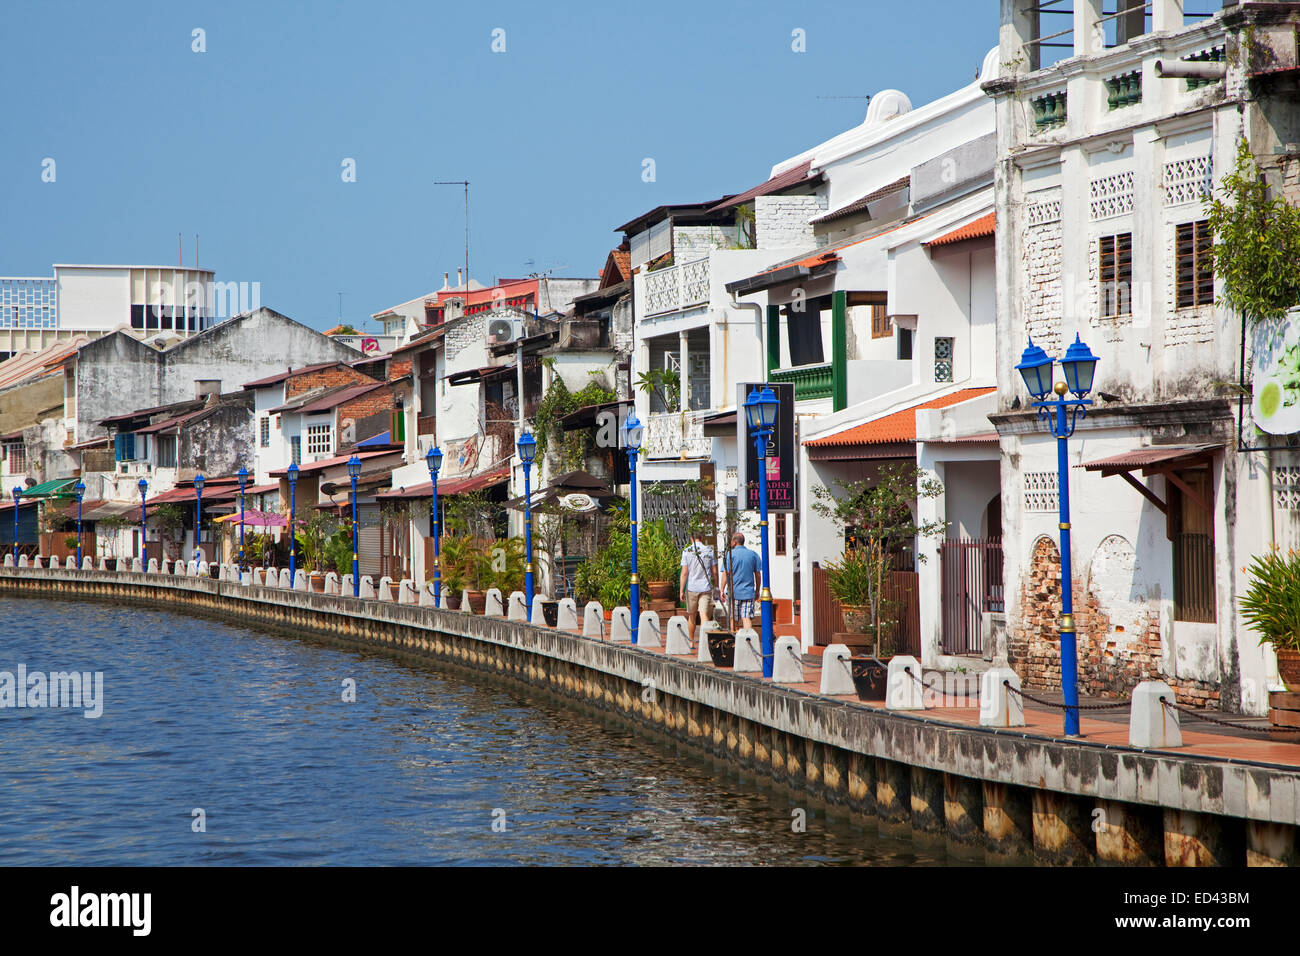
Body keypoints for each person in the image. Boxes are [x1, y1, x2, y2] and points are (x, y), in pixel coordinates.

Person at [720, 532, 761, 631]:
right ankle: (748, 640)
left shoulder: (730, 555)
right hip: (748, 592)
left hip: (734, 592)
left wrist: (721, 589)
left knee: (733, 619)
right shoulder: (753, 554)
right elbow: (758, 574)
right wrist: (757, 590)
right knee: (746, 618)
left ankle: (734, 642)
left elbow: (725, 573)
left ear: (734, 542)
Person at [679, 530, 716, 630]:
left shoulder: (687, 551)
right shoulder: (709, 550)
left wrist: (681, 590)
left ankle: (691, 641)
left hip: (692, 587)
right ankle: (705, 640)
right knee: (703, 614)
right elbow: (714, 571)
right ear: (702, 538)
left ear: (691, 538)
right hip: (705, 587)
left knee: (692, 616)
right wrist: (715, 586)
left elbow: (684, 573)